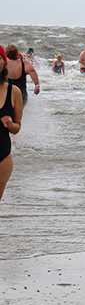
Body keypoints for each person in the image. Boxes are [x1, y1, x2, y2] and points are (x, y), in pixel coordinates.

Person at [0, 45, 23, 201]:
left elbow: (17, 127)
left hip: (3, 156)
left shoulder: (13, 92)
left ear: (4, 63)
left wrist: (10, 124)